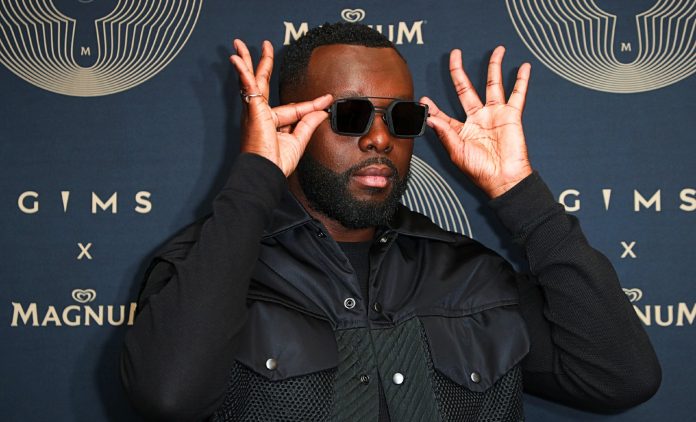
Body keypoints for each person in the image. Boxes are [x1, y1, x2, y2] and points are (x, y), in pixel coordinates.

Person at [120, 23, 661, 421]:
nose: (379, 138)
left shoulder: (472, 274)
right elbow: (168, 397)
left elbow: (621, 378)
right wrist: (256, 176)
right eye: (351, 115)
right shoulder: (207, 266)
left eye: (401, 117)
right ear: (289, 122)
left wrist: (520, 193)